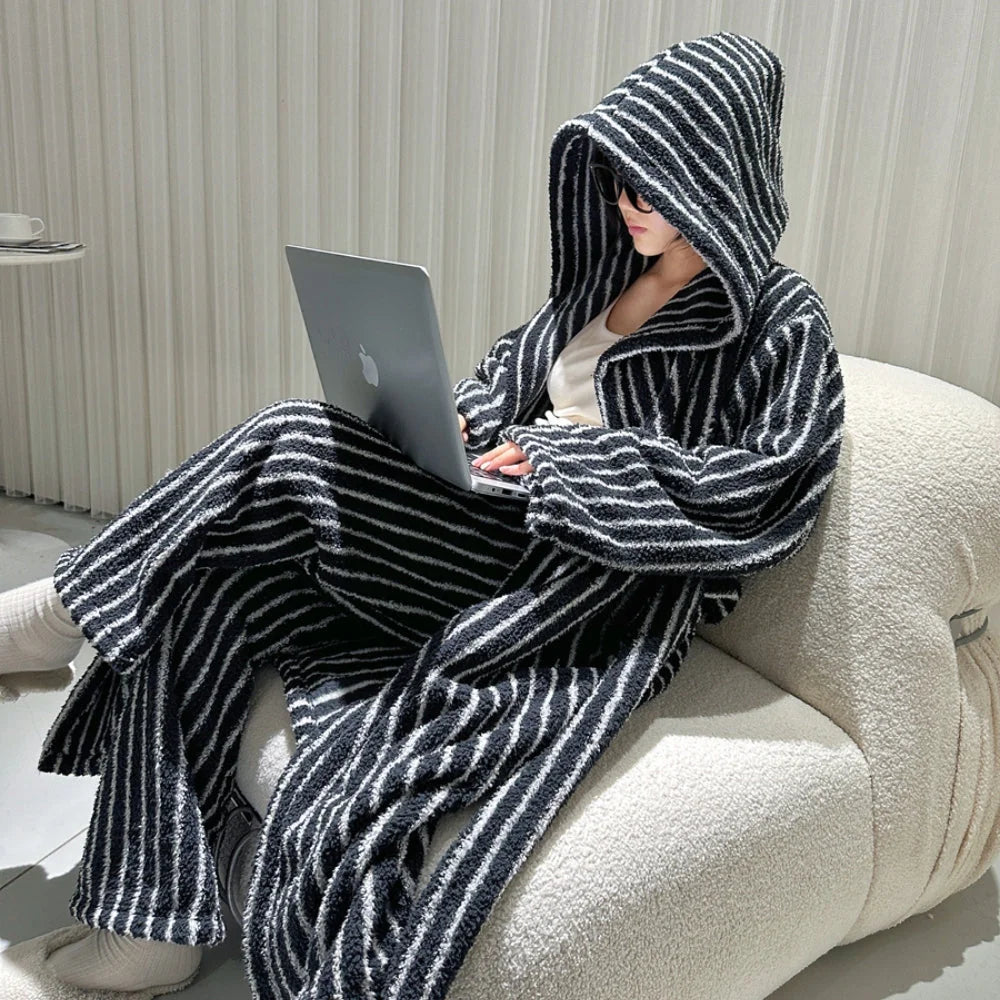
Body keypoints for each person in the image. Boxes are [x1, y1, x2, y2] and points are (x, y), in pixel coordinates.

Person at [0, 31, 844, 1000]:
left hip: (572, 580)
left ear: (718, 170)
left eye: (654, 182)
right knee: (213, 578)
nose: (629, 202)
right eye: (617, 180)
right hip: (479, 524)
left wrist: (568, 459)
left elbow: (765, 485)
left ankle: (54, 613)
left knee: (289, 434)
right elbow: (503, 390)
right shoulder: (598, 285)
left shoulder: (779, 319)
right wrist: (452, 419)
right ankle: (152, 924)